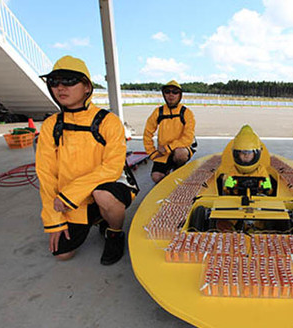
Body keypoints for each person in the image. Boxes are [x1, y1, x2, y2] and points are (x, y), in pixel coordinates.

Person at [36, 55, 138, 265]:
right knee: (63, 254)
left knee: (104, 196)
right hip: (72, 199)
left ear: (86, 87)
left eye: (70, 81)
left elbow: (111, 168)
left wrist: (69, 195)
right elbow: (46, 176)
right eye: (54, 82)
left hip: (105, 187)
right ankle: (99, 216)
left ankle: (114, 233)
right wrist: (54, 220)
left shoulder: (108, 121)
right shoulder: (50, 125)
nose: (61, 87)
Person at [143, 80, 196, 184]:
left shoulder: (186, 113)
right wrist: (152, 153)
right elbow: (147, 134)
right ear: (164, 94)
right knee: (156, 177)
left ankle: (178, 170)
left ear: (180, 95)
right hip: (163, 153)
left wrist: (169, 148)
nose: (171, 95)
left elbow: (188, 138)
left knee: (180, 154)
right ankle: (167, 171)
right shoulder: (158, 112)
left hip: (179, 149)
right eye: (167, 91)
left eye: (175, 92)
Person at [218, 125, 273, 196]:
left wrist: (267, 188)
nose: (246, 155)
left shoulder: (261, 170)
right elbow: (225, 192)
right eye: (243, 153)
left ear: (257, 154)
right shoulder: (233, 170)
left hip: (258, 200)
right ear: (236, 154)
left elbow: (269, 192)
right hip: (235, 200)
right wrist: (228, 187)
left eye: (249, 153)